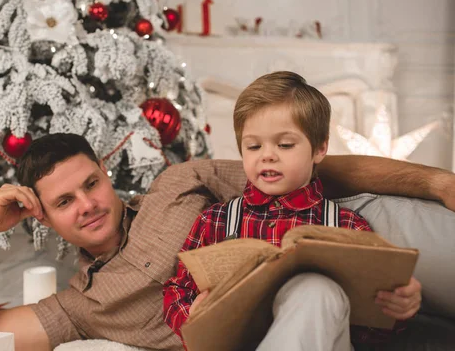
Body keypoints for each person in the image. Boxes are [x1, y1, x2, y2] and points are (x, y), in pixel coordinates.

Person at [0, 128, 455, 351]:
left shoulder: (178, 183)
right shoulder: (84, 306)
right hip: (318, 297)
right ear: (44, 218)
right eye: (65, 202)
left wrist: (435, 182)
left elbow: (314, 171)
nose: (88, 205)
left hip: (365, 225)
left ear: (105, 173)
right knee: (315, 295)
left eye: (91, 184)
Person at [162, 71, 421, 350]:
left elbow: (371, 332)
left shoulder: (347, 226)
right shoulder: (216, 220)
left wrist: (398, 307)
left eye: (285, 144)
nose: (268, 155)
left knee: (316, 290)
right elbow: (177, 291)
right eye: (253, 146)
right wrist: (192, 314)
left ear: (320, 148)